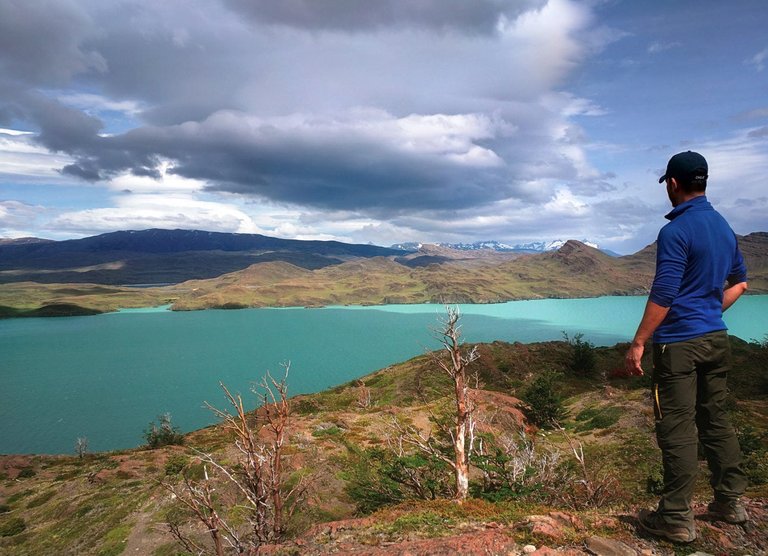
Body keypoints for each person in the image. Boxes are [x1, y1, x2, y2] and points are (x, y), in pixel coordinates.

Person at [625, 150, 749, 543]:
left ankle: (676, 518)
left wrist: (639, 342)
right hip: (715, 339)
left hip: (678, 345)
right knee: (715, 419)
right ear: (704, 181)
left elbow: (664, 292)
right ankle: (730, 502)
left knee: (676, 427)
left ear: (673, 184)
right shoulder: (724, 227)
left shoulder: (675, 231)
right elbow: (740, 283)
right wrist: (710, 311)